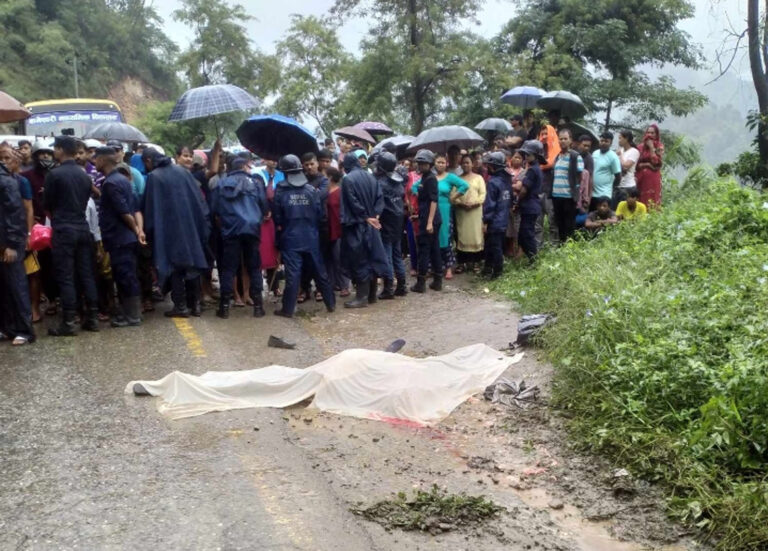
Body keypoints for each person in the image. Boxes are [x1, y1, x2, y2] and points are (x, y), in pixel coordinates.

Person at [142, 148, 210, 318]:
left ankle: (180, 306)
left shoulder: (154, 177)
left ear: (149, 160)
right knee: (192, 264)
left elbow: (150, 208)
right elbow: (198, 200)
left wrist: (149, 233)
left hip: (169, 229)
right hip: (190, 226)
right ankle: (195, 305)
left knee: (174, 267)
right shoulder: (184, 172)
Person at [44, 136, 100, 336]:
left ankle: (68, 322)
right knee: (86, 274)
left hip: (64, 229)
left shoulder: (54, 175)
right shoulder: (84, 175)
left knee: (66, 275)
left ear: (60, 150)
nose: (53, 152)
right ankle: (92, 317)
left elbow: (47, 204)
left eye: (55, 149)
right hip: (83, 228)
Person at [272, 154, 335, 317]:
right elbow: (320, 214)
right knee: (320, 272)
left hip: (290, 238)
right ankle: (331, 304)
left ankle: (288, 309)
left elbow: (277, 217)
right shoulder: (311, 190)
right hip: (311, 236)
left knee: (293, 275)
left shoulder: (280, 190)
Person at [92, 147, 145, 327]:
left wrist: (136, 229)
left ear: (102, 160)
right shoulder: (122, 179)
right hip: (123, 238)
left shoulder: (111, 183)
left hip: (120, 238)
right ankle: (131, 313)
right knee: (126, 275)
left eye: (96, 158)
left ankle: (133, 315)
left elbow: (123, 211)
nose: (94, 162)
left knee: (125, 276)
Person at [211, 156, 269, 319]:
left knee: (228, 268)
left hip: (231, 229)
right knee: (254, 268)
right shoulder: (255, 183)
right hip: (252, 229)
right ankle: (258, 307)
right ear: (244, 167)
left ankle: (224, 308)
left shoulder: (220, 183)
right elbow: (264, 206)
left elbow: (213, 208)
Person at [340, 153, 391, 307]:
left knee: (360, 260)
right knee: (372, 258)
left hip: (357, 225)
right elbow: (380, 198)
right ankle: (372, 295)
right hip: (373, 224)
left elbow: (352, 201)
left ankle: (361, 297)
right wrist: (375, 216)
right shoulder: (371, 177)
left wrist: (365, 217)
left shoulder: (348, 179)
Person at [0, 152, 35, 345]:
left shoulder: (7, 181)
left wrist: (12, 244)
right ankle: (8, 328)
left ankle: (24, 330)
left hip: (9, 242)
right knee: (4, 287)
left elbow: (15, 213)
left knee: (16, 285)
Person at [375, 152, 407, 299]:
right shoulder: (398, 181)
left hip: (387, 223)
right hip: (398, 222)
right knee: (397, 255)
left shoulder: (381, 183)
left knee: (387, 256)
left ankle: (388, 288)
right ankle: (402, 286)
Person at [410, 150, 442, 293]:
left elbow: (433, 201)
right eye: (420, 163)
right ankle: (437, 281)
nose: (421, 165)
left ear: (430, 164)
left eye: (424, 163)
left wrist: (429, 222)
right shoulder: (425, 178)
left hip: (431, 220)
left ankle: (421, 283)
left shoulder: (431, 179)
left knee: (424, 250)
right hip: (427, 217)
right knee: (434, 249)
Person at [453, 154, 486, 272]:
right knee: (462, 236)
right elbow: (453, 195)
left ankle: (476, 263)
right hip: (462, 212)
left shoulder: (479, 178)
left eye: (468, 162)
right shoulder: (457, 179)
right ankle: (462, 263)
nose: (465, 165)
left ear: (472, 164)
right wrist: (461, 204)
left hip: (475, 211)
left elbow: (483, 194)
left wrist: (475, 203)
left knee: (476, 236)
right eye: (463, 163)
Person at [550, 128, 584, 243]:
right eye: (561, 139)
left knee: (569, 225)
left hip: (568, 197)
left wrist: (576, 192)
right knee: (560, 224)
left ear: (571, 141)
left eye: (565, 139)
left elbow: (580, 176)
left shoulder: (575, 156)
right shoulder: (557, 157)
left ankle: (569, 248)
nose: (563, 141)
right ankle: (561, 246)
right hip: (556, 196)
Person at [482, 152, 512, 279]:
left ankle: (497, 272)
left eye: (488, 165)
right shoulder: (507, 180)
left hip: (494, 221)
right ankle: (487, 268)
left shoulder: (493, 182)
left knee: (495, 247)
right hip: (503, 219)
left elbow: (490, 204)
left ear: (493, 167)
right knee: (492, 245)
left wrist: (485, 221)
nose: (487, 168)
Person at [255, 159, 283, 297]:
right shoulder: (257, 174)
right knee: (262, 252)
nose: (273, 161)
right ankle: (257, 286)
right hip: (262, 218)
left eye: (275, 159)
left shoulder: (282, 175)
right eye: (270, 159)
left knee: (274, 251)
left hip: (277, 217)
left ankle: (275, 286)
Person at [513, 140, 544, 261]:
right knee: (523, 234)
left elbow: (524, 190)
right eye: (525, 154)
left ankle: (534, 259)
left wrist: (517, 201)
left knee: (527, 234)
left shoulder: (532, 170)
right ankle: (530, 258)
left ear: (535, 155)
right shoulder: (536, 169)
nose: (526, 156)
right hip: (532, 206)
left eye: (528, 154)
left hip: (530, 206)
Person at [536, 110, 561, 245]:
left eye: (547, 133)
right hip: (538, 190)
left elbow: (551, 164)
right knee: (537, 222)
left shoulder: (557, 152)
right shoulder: (537, 151)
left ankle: (554, 247)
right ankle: (537, 247)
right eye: (542, 133)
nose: (544, 136)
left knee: (553, 221)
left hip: (551, 192)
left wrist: (542, 165)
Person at [323, 168, 349, 297]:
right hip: (326, 229)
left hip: (338, 228)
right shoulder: (323, 192)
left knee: (339, 258)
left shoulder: (340, 192)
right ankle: (332, 283)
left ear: (330, 177)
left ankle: (344, 285)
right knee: (329, 259)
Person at [591, 132, 621, 211]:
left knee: (603, 216)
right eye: (602, 141)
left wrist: (611, 187)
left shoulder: (613, 157)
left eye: (606, 141)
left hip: (604, 194)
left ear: (610, 143)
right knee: (592, 215)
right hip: (592, 193)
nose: (603, 143)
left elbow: (618, 176)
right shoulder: (595, 153)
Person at [636, 124, 664, 208]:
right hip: (640, 177)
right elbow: (636, 164)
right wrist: (647, 164)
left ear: (656, 134)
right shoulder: (640, 147)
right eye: (648, 132)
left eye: (652, 133)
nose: (650, 135)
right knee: (640, 197)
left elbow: (656, 163)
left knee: (652, 197)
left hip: (653, 178)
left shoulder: (659, 146)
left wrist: (651, 147)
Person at [615, 130, 640, 206]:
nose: (619, 141)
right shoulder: (621, 150)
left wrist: (620, 155)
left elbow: (626, 165)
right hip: (618, 185)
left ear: (626, 139)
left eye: (620, 138)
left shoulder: (634, 152)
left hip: (628, 186)